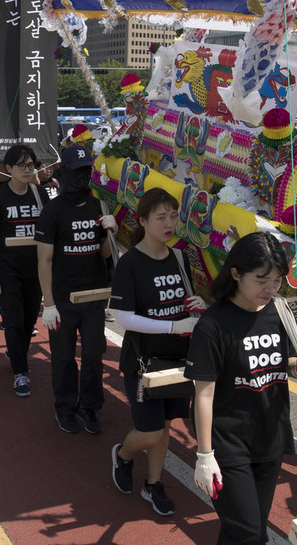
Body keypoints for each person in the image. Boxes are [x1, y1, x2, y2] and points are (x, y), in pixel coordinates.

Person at [185, 232, 297, 545]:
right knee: (250, 533)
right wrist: (204, 455)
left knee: (244, 529)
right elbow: (203, 394)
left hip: (269, 436)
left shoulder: (281, 312)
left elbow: (286, 361)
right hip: (228, 442)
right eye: (262, 280)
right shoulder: (213, 324)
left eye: (277, 281)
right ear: (236, 273)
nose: (271, 289)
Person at [109, 188, 204, 516]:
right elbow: (123, 317)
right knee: (149, 431)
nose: (169, 223)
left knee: (163, 425)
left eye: (173, 216)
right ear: (144, 220)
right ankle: (122, 455)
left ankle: (152, 483)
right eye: (160, 217)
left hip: (177, 359)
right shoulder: (130, 264)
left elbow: (186, 306)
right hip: (142, 360)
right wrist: (171, 327)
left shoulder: (179, 257)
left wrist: (195, 309)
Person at [35, 144, 114, 434]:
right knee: (64, 357)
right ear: (64, 173)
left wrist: (110, 231)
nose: (82, 177)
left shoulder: (98, 206)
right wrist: (49, 303)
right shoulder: (52, 211)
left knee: (93, 353)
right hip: (63, 299)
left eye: (86, 171)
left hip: (94, 297)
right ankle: (65, 406)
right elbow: (43, 260)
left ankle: (89, 406)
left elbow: (103, 254)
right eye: (76, 172)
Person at [0, 145, 49, 397]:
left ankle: (17, 350)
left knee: (30, 319)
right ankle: (20, 371)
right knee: (13, 318)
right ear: (8, 168)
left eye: (30, 165)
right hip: (7, 269)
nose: (26, 169)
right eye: (20, 165)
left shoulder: (40, 194)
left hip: (36, 268)